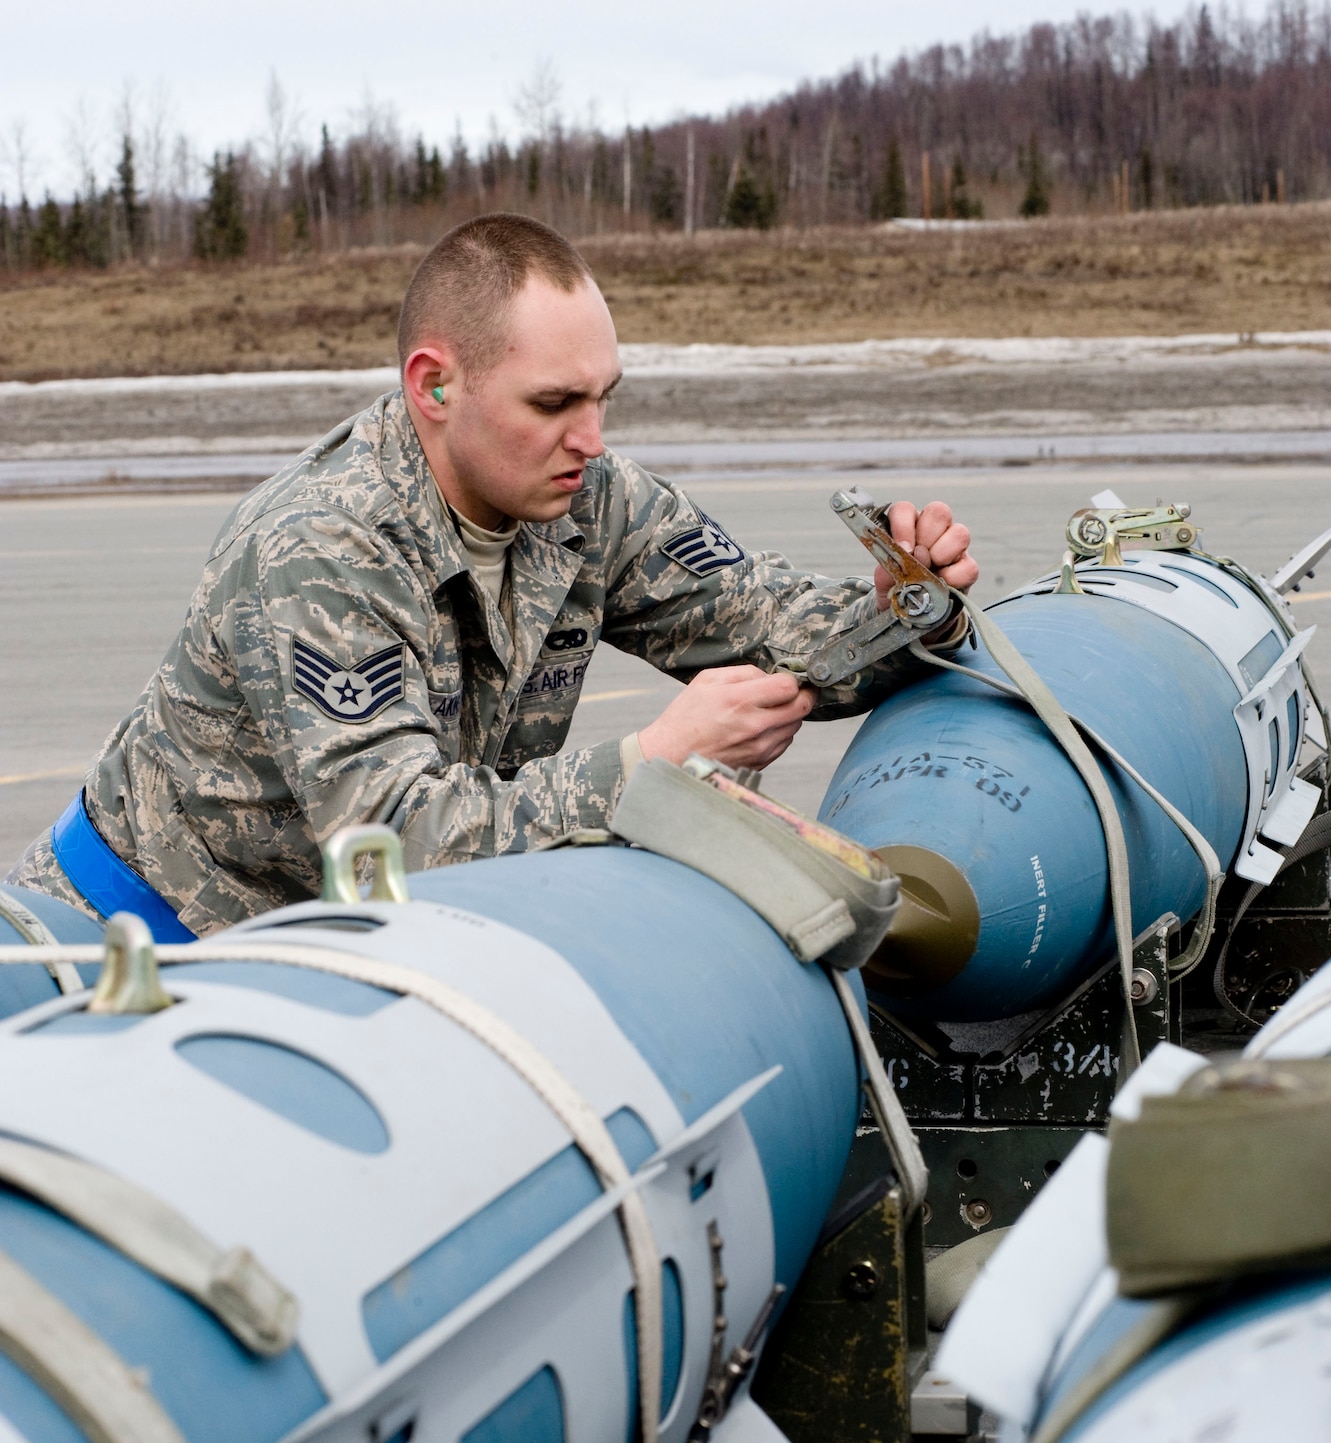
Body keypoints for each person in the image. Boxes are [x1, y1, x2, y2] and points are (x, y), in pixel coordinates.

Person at [10, 214, 978, 940]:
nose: (592, 441)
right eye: (553, 402)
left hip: (324, 951)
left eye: (603, 398)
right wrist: (651, 766)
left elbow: (774, 625)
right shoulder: (323, 548)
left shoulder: (589, 498)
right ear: (434, 386)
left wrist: (914, 605)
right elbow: (392, 842)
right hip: (129, 950)